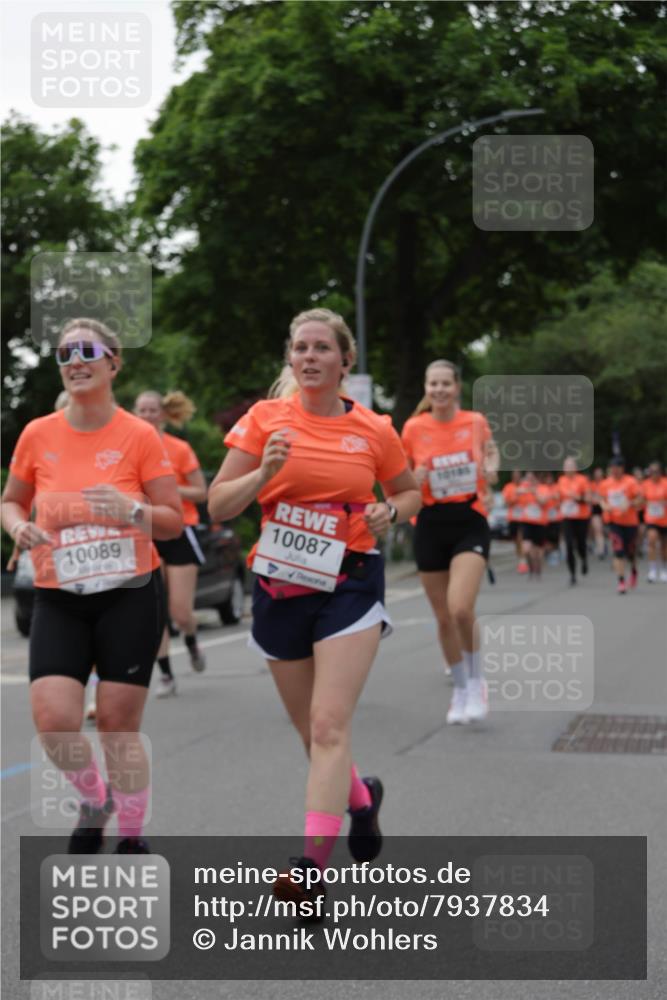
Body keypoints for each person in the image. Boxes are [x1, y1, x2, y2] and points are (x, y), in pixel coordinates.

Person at [208, 308, 420, 909]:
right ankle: (360, 799)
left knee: (329, 726)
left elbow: (408, 491)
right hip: (279, 584)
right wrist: (264, 473)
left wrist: (391, 512)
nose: (309, 357)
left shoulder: (374, 429)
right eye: (299, 347)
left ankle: (308, 873)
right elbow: (219, 504)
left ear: (344, 361)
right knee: (310, 733)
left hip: (350, 582)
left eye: (322, 347)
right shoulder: (264, 421)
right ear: (290, 358)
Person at [1, 318, 182, 854]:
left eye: (87, 351)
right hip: (60, 594)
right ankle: (94, 797)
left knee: (116, 725)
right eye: (64, 354)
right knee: (55, 720)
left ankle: (130, 834)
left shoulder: (139, 435)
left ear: (113, 362)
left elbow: (172, 520)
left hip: (128, 593)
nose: (75, 361)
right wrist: (17, 526)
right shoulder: (39, 433)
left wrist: (131, 510)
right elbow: (11, 499)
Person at [401, 360, 498, 726]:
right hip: (429, 522)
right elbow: (398, 479)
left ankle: (476, 682)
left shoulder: (474, 422)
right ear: (426, 389)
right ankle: (459, 689)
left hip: (469, 519)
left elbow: (490, 451)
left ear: (457, 387)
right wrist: (415, 477)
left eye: (445, 383)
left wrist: (491, 466)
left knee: (460, 608)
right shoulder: (413, 428)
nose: (439, 390)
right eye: (433, 384)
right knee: (443, 618)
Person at [134, 390, 208, 695]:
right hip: (145, 532)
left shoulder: (179, 449)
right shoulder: (130, 450)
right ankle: (166, 675)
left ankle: (190, 639)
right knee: (155, 611)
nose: (148, 416)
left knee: (179, 612)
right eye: (142, 410)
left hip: (178, 529)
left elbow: (201, 492)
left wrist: (168, 489)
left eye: (153, 410)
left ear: (163, 415)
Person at [597, 457, 642, 594]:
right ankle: (621, 581)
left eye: (617, 468)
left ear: (622, 468)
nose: (614, 471)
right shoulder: (605, 484)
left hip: (630, 522)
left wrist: (629, 503)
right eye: (612, 468)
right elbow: (601, 499)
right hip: (613, 521)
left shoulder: (631, 482)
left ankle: (633, 570)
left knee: (630, 552)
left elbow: (640, 498)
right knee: (618, 551)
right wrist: (604, 505)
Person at [557, 457, 591, 586]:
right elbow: (558, 497)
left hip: (581, 517)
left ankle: (584, 559)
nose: (568, 469)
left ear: (575, 468)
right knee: (569, 545)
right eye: (566, 466)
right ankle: (572, 574)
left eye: (571, 466)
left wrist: (577, 498)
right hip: (567, 517)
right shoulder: (561, 480)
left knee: (580, 544)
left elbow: (587, 498)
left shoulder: (582, 480)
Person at [515, 471, 549, 579]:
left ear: (536, 479)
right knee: (526, 548)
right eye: (527, 479)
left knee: (538, 551)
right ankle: (531, 568)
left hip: (540, 523)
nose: (529, 481)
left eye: (531, 479)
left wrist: (534, 492)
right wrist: (521, 491)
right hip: (527, 522)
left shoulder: (543, 488)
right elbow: (515, 495)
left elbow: (543, 501)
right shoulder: (523, 489)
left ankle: (538, 569)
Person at [641, 462, 667, 582]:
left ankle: (663, 569)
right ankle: (652, 570)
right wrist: (646, 503)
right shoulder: (645, 484)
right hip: (651, 518)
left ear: (660, 472)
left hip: (665, 519)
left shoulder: (665, 483)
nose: (654, 474)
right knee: (651, 540)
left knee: (664, 546)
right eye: (652, 472)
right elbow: (640, 500)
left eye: (656, 471)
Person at [502, 470, 528, 573]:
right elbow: (506, 503)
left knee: (521, 538)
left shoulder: (525, 486)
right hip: (513, 518)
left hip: (525, 518)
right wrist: (516, 495)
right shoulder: (508, 487)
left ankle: (523, 561)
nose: (516, 477)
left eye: (518, 475)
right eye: (515, 475)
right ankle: (521, 560)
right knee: (516, 541)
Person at [542, 471, 562, 567]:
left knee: (555, 538)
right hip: (546, 519)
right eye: (547, 478)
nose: (549, 480)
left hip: (556, 518)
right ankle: (548, 554)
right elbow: (541, 501)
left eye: (550, 478)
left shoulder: (557, 487)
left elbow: (560, 500)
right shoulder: (542, 488)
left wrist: (555, 500)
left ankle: (555, 553)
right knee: (547, 539)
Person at [588, 467, 607, 559]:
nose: (598, 475)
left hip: (607, 509)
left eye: (600, 473)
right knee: (598, 529)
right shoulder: (591, 485)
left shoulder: (607, 484)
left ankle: (602, 545)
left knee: (603, 530)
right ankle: (601, 550)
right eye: (597, 473)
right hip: (596, 509)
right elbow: (589, 498)